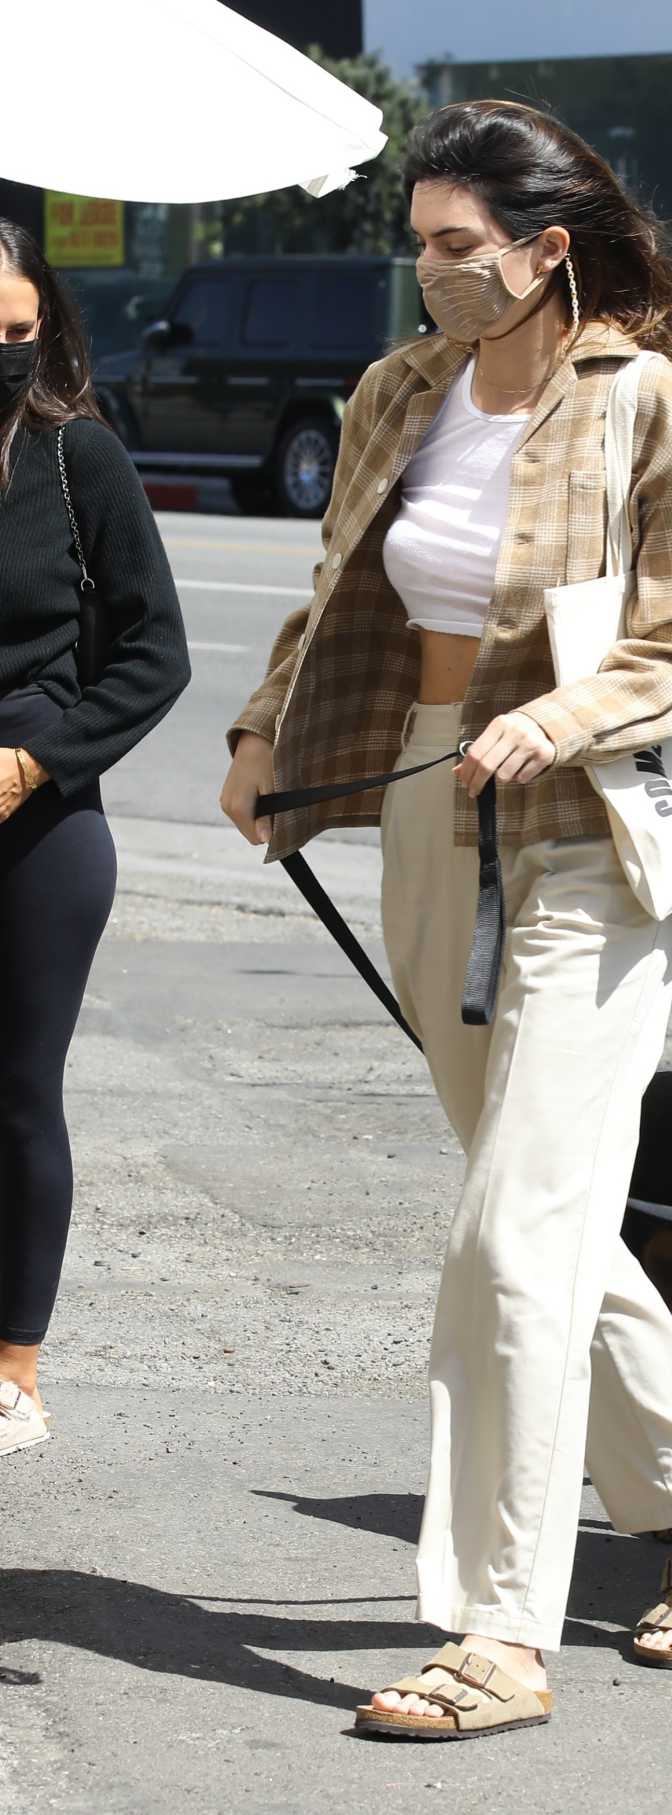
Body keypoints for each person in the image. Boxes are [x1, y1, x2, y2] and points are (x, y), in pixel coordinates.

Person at [220, 99, 672, 1740]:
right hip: (418, 803)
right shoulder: (401, 390)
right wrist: (263, 738)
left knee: (514, 1232)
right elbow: (336, 593)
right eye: (424, 248)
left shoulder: (648, 406)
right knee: (539, 1207)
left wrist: (577, 706)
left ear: (549, 251)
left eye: (462, 249)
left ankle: (498, 1635)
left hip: (584, 834)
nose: (434, 275)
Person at [0, 222, 190, 1456]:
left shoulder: (79, 458)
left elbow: (154, 655)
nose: (2, 355)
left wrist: (31, 762)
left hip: (37, 826)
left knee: (14, 1094)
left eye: (17, 334)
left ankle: (10, 1368)